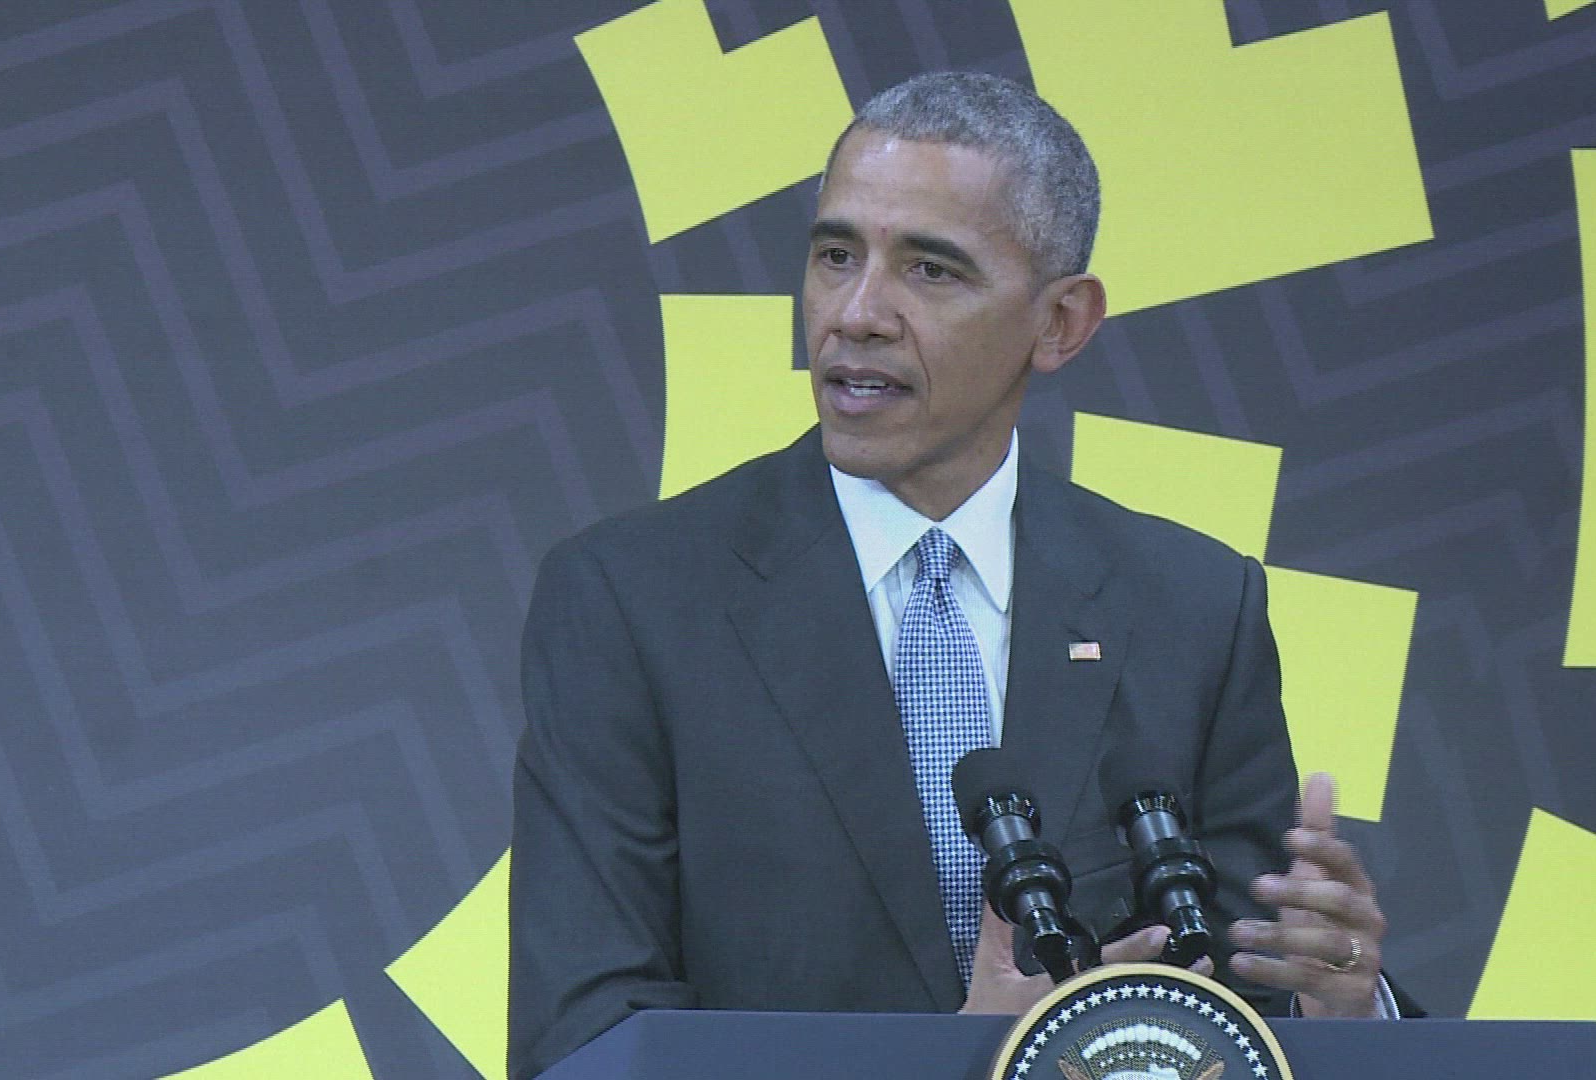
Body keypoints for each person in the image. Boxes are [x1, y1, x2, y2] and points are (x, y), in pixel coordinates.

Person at [509, 72, 1403, 1079]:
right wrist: (962, 1059)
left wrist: (1339, 1010)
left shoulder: (1192, 609)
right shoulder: (631, 599)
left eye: (930, 271)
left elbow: (1246, 1019)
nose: (856, 313)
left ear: (1060, 323)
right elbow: (584, 1042)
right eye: (835, 256)